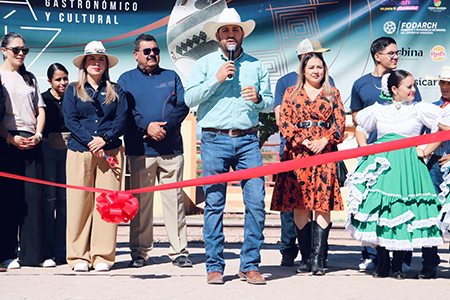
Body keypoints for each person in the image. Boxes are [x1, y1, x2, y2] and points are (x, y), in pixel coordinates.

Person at [184, 7, 274, 285]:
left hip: (248, 139)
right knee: (213, 204)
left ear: (242, 35)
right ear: (218, 37)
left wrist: (259, 98)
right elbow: (189, 99)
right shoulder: (206, 64)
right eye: (226, 30)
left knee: (256, 203)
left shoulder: (257, 65)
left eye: (236, 30)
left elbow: (270, 103)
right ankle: (214, 265)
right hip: (214, 139)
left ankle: (250, 265)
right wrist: (217, 78)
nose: (231, 34)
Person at [345, 69, 444, 280]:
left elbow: (443, 126)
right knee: (379, 210)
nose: (413, 90)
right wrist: (365, 150)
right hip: (382, 165)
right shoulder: (378, 110)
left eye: (414, 85)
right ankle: (382, 262)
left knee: (402, 210)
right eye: (409, 86)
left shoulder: (419, 109)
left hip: (408, 165)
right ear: (393, 89)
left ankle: (398, 264)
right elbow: (360, 126)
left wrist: (425, 150)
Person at [118, 34, 191, 268]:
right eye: (147, 51)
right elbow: (125, 111)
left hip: (171, 149)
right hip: (140, 150)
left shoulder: (171, 77)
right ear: (136, 54)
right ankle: (139, 252)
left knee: (175, 202)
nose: (152, 54)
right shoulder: (125, 79)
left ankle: (179, 251)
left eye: (155, 50)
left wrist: (166, 127)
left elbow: (183, 105)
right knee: (140, 204)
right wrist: (146, 126)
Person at [350, 37, 422, 271]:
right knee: (375, 206)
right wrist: (364, 151)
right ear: (376, 55)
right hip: (375, 158)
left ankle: (403, 260)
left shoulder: (405, 82)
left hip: (404, 159)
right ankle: (373, 256)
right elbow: (357, 120)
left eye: (397, 53)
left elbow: (417, 115)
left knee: (401, 206)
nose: (395, 56)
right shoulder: (361, 84)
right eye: (390, 53)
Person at [271, 52, 345, 276]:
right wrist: (303, 140)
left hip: (324, 153)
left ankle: (319, 259)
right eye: (311, 67)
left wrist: (324, 140)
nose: (316, 71)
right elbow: (284, 122)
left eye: (319, 67)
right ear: (303, 70)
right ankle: (305, 258)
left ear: (325, 70)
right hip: (297, 154)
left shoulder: (333, 93)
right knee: (300, 204)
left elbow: (340, 123)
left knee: (322, 204)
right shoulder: (290, 93)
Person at [63, 41, 127, 272]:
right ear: (84, 64)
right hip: (80, 152)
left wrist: (105, 139)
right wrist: (92, 141)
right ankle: (78, 256)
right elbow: (71, 120)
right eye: (92, 59)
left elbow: (121, 120)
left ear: (106, 64)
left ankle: (102, 256)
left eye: (100, 59)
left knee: (108, 204)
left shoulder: (117, 90)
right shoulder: (72, 90)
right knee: (79, 204)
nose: (96, 63)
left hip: (110, 153)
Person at [0, 32, 55, 269]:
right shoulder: (0, 77)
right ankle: (6, 254)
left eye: (25, 50)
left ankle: (34, 255)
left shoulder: (30, 78)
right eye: (16, 50)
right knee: (10, 199)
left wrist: (38, 134)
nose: (21, 53)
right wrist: (10, 138)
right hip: (8, 141)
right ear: (4, 50)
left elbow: (40, 109)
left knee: (34, 199)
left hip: (33, 139)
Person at [416, 65, 450, 279]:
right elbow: (421, 135)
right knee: (429, 212)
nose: (445, 86)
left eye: (449, 82)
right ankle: (429, 262)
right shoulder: (431, 108)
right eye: (442, 82)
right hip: (435, 163)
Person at [42, 63, 70, 265]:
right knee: (49, 199)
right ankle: (47, 249)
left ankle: (63, 249)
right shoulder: (43, 99)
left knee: (65, 202)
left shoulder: (72, 97)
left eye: (65, 78)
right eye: (58, 79)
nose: (63, 83)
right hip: (48, 151)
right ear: (50, 81)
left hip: (69, 152)